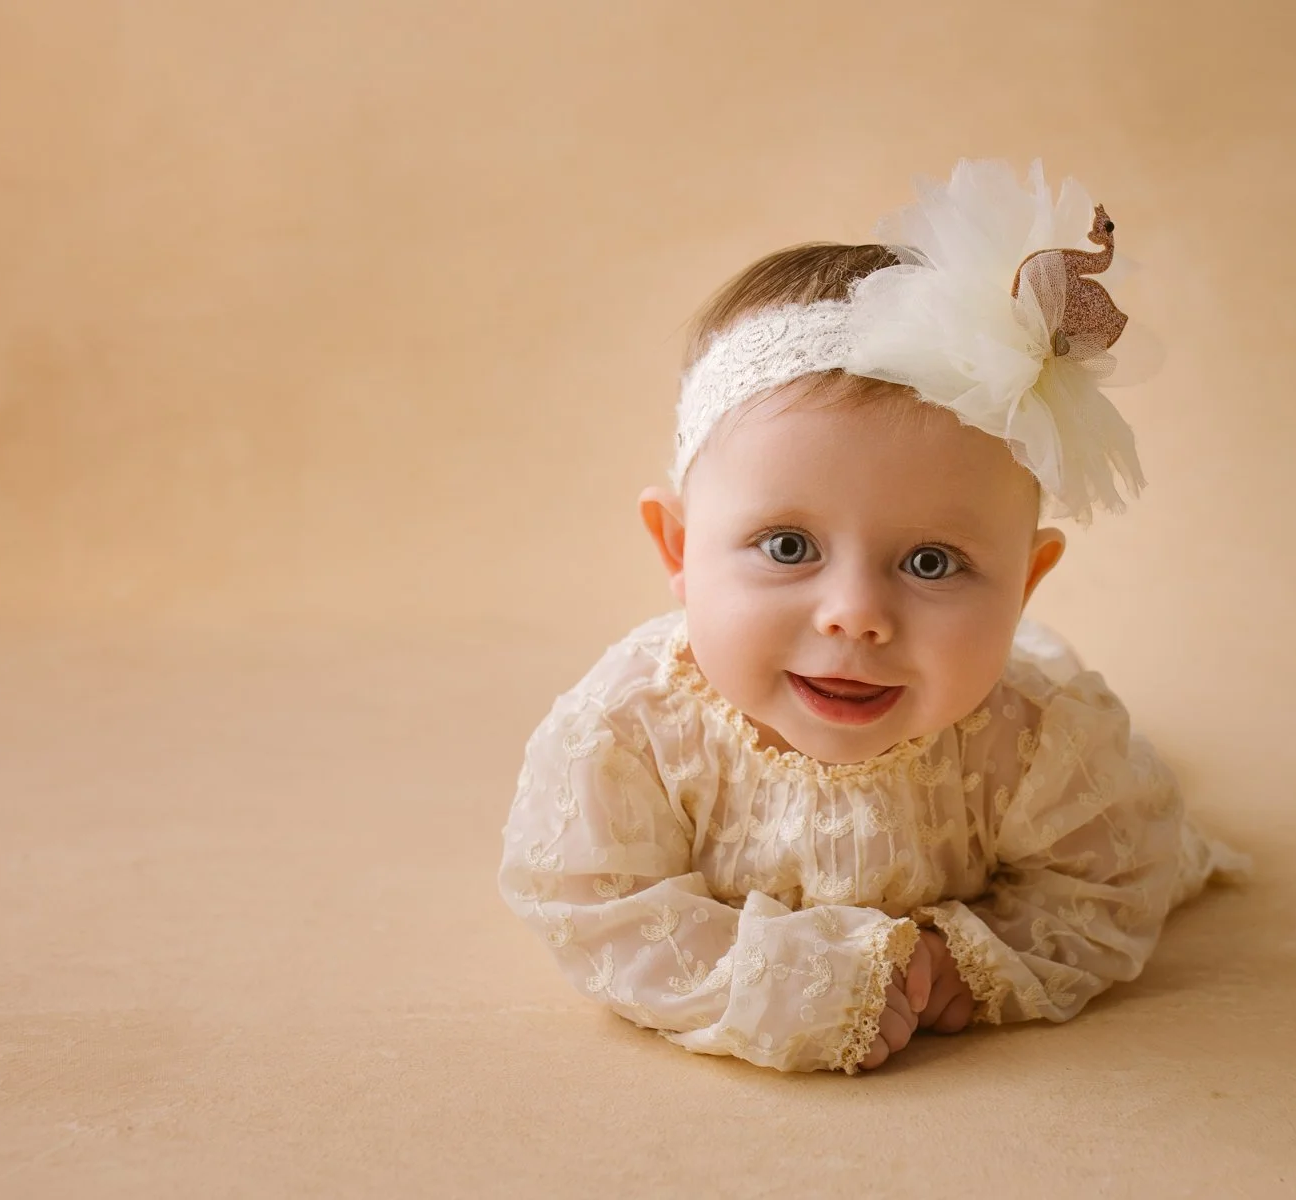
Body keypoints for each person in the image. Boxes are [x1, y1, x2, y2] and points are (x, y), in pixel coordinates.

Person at [498, 159, 1246, 1074]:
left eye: (932, 563)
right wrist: (801, 988)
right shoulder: (629, 733)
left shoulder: (1040, 742)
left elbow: (1109, 882)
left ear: (1025, 584)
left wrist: (975, 961)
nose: (855, 616)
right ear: (677, 551)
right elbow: (601, 911)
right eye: (786, 547)